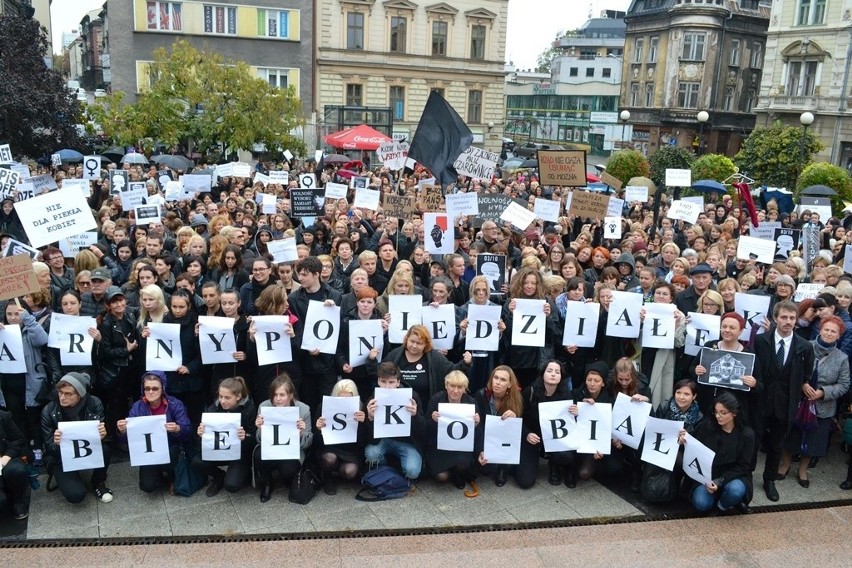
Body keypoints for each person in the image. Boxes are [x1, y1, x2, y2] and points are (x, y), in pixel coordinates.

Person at [753, 300, 815, 502]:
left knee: (776, 445)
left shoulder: (804, 346)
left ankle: (769, 479)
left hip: (785, 404)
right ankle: (745, 476)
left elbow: (806, 374)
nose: (788, 322)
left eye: (792, 318)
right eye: (784, 317)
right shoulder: (761, 340)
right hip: (760, 401)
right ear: (775, 318)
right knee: (753, 441)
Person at [781, 315, 849, 487]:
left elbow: (844, 384)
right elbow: (790, 370)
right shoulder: (804, 346)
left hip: (822, 406)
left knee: (813, 440)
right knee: (791, 435)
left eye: (833, 331)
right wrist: (802, 384)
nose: (828, 333)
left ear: (839, 335)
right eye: (826, 329)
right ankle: (785, 464)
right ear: (820, 329)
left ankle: (803, 470)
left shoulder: (842, 358)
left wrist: (823, 392)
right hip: (799, 400)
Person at [41, 372, 113, 504]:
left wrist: (102, 435)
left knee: (105, 450)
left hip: (86, 449)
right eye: (60, 392)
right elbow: (48, 447)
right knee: (76, 495)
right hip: (60, 457)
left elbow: (97, 437)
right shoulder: (49, 410)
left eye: (68, 394)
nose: (62, 397)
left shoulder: (94, 403)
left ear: (80, 395)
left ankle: (98, 482)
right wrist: (56, 443)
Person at [679, 392, 755, 515]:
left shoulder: (746, 434)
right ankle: (721, 501)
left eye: (723, 413)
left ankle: (721, 507)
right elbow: (694, 444)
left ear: (734, 413)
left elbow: (744, 466)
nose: (718, 416)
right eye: (716, 412)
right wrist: (684, 439)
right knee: (701, 503)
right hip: (708, 475)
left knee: (735, 491)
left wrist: (720, 481)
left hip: (733, 475)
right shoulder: (707, 426)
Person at [116, 371, 191, 493]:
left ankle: (173, 477)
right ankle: (159, 474)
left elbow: (188, 431)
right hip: (148, 452)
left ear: (163, 388)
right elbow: (129, 440)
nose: (151, 392)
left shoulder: (175, 404)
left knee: (172, 454)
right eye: (147, 388)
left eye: (155, 388)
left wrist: (178, 429)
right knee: (147, 486)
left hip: (171, 447)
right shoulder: (137, 407)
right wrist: (122, 431)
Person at [373, 325, 472, 403]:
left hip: (425, 409)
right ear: (406, 339)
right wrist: (371, 360)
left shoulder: (434, 357)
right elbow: (380, 373)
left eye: (419, 343)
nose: (414, 346)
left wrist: (465, 363)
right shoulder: (395, 355)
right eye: (412, 341)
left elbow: (452, 371)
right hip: (397, 407)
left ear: (426, 344)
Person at [474, 365, 536, 489]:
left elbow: (527, 423)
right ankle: (502, 464)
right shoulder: (481, 395)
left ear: (509, 384)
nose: (497, 382)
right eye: (495, 378)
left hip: (511, 440)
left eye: (503, 380)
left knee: (526, 482)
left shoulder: (518, 397)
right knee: (485, 470)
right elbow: (479, 426)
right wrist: (480, 449)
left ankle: (505, 465)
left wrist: (516, 419)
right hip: (489, 438)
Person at [253, 374, 313, 502]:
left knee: (288, 470)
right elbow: (258, 440)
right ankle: (267, 484)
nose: (277, 399)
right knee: (258, 454)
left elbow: (308, 442)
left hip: (291, 450)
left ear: (290, 395)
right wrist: (260, 429)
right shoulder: (264, 407)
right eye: (275, 395)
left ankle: (288, 479)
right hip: (272, 447)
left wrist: (302, 433)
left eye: (282, 395)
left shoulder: (303, 409)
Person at [194, 377, 257, 497]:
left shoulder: (250, 409)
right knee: (197, 462)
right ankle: (218, 476)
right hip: (219, 449)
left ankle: (244, 473)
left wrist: (245, 437)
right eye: (221, 396)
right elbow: (203, 443)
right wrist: (200, 435)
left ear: (238, 397)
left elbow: (255, 439)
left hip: (240, 452)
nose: (222, 401)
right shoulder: (213, 409)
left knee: (232, 486)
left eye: (227, 397)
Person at [364, 362, 426, 481]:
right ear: (378, 381)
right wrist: (370, 419)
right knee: (371, 454)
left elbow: (423, 432)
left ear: (398, 382)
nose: (387, 387)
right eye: (383, 381)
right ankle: (385, 471)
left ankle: (393, 472)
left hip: (408, 442)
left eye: (391, 382)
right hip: (384, 440)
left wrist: (415, 415)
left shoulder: (412, 396)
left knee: (412, 472)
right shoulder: (373, 398)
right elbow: (368, 439)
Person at [426, 371, 481, 496]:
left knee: (462, 467)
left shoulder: (471, 402)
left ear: (464, 389)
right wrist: (433, 420)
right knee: (441, 477)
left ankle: (459, 475)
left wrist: (477, 424)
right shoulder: (436, 399)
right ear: (446, 385)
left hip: (461, 447)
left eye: (460, 387)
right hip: (440, 446)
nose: (455, 391)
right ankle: (452, 472)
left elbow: (477, 433)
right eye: (452, 386)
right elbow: (426, 428)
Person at [522, 360, 575, 488]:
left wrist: (576, 413)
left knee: (567, 456)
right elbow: (519, 418)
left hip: (555, 439)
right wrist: (527, 433)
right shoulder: (530, 392)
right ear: (543, 373)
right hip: (533, 438)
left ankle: (555, 465)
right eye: (549, 371)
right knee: (525, 481)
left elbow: (570, 425)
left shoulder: (566, 395)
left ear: (561, 376)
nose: (553, 374)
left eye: (557, 372)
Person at [315, 379, 367, 495]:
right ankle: (327, 476)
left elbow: (363, 441)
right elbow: (315, 442)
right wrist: (319, 429)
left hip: (350, 450)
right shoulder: (323, 407)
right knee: (329, 458)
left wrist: (363, 424)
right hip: (330, 448)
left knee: (350, 472)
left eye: (348, 399)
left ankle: (338, 471)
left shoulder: (361, 409)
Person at [0, 409, 31, 519]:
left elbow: (18, 439)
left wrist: (6, 456)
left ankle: (17, 500)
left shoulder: (3, 416)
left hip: (4, 457)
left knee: (16, 470)